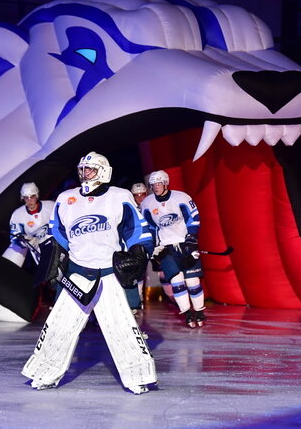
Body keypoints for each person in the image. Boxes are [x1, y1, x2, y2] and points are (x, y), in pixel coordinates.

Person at [21, 152, 156, 394]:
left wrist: (138, 251)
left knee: (121, 326)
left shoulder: (119, 196)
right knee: (59, 325)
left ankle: (139, 376)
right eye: (82, 169)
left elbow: (136, 228)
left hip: (108, 274)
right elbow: (58, 235)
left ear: (103, 171)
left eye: (91, 169)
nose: (85, 174)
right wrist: (55, 264)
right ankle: (44, 373)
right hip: (77, 274)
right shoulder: (65, 199)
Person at [139, 170, 206, 328]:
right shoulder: (147, 203)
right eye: (153, 185)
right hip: (166, 248)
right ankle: (187, 313)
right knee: (176, 281)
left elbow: (194, 217)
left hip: (185, 244)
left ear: (166, 183)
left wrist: (192, 237)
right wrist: (154, 247)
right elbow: (148, 227)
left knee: (192, 281)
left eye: (158, 183)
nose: (156, 187)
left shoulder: (181, 197)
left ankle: (199, 311)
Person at [3, 182, 56, 269]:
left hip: (58, 246)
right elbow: (15, 238)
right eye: (26, 197)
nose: (29, 200)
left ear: (37, 195)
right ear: (22, 198)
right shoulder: (18, 215)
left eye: (32, 196)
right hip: (40, 254)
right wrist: (25, 241)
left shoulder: (50, 206)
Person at [125, 182, 149, 312]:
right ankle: (137, 299)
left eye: (142, 195)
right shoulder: (129, 209)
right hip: (133, 244)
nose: (140, 198)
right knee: (136, 271)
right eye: (137, 195)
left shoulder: (150, 206)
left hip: (150, 243)